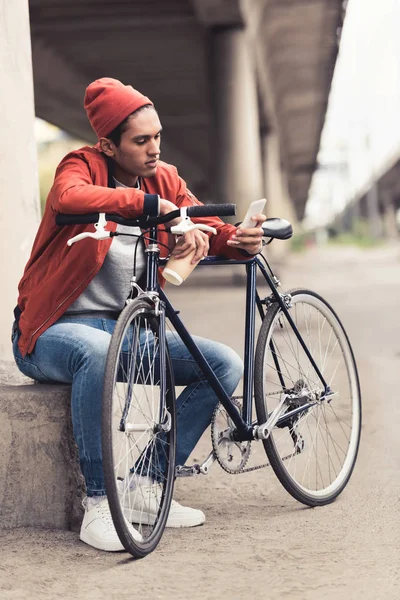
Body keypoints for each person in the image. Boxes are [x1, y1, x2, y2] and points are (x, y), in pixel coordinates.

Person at [12, 78, 266, 552]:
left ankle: (146, 488)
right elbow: (69, 198)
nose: (154, 150)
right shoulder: (81, 167)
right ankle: (100, 503)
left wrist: (235, 240)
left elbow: (202, 222)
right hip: (53, 331)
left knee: (223, 364)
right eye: (141, 141)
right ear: (108, 145)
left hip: (124, 331)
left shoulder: (163, 177)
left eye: (158, 137)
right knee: (97, 352)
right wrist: (151, 207)